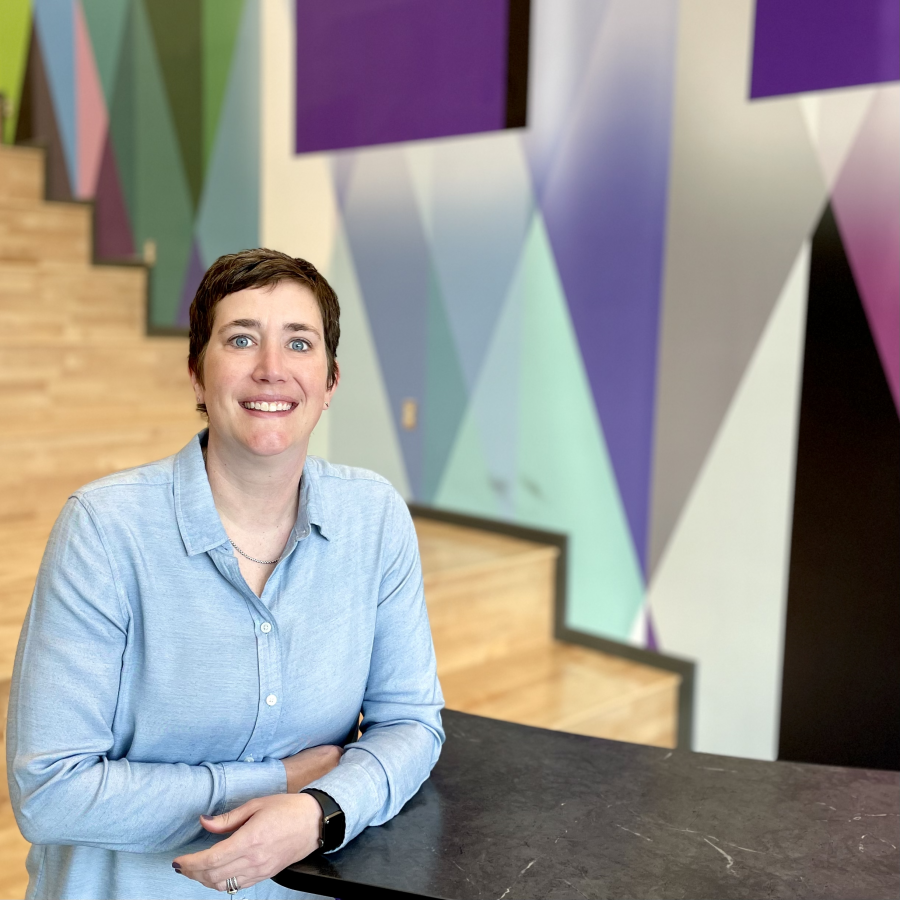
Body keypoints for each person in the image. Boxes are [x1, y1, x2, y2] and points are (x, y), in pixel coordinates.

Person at [6, 249, 445, 899]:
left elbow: (411, 722)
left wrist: (320, 810)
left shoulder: (373, 516)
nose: (272, 369)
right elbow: (50, 794)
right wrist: (278, 781)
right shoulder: (104, 529)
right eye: (241, 339)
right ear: (195, 375)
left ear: (329, 383)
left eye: (300, 343)